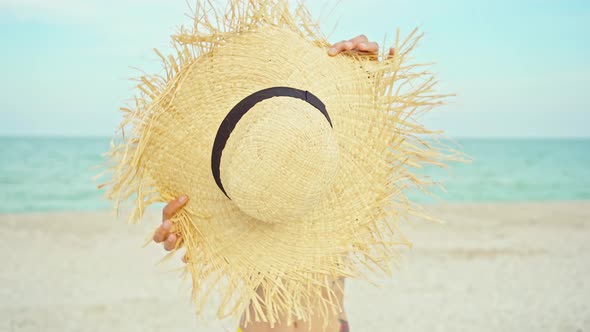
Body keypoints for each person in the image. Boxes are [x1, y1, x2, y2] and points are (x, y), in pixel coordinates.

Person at [152, 35, 394, 332]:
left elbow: (374, 136)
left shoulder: (332, 161)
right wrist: (192, 229)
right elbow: (208, 238)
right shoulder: (247, 182)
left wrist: (363, 76)